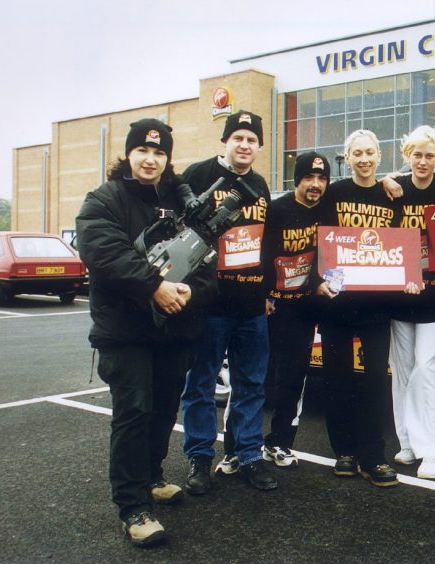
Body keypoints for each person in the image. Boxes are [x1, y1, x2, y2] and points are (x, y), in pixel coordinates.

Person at [75, 119, 217, 546]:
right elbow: (103, 252)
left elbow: (206, 256)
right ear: (129, 154)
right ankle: (134, 507)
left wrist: (189, 291)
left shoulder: (178, 200)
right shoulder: (104, 199)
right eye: (143, 151)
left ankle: (152, 477)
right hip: (125, 332)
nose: (151, 159)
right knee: (134, 412)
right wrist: (155, 286)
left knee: (162, 407)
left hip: (173, 329)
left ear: (167, 159)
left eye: (159, 153)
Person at [180, 110, 278, 493]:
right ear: (226, 141)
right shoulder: (198, 175)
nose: (244, 144)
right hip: (210, 304)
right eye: (238, 137)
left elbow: (265, 242)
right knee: (201, 384)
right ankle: (200, 458)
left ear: (258, 146)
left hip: (251, 305)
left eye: (252, 140)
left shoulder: (260, 184)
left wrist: (268, 291)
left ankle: (248, 454)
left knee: (251, 384)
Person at [314, 129, 403, 488]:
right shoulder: (334, 193)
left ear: (379, 157)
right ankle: (344, 451)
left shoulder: (390, 193)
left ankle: (373, 456)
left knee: (372, 382)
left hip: (376, 304)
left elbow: (403, 241)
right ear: (346, 158)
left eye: (369, 152)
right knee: (337, 378)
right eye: (357, 153)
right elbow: (317, 236)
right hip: (338, 302)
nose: (364, 159)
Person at [387, 126, 435, 480]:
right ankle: (407, 442)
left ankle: (432, 450)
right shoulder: (395, 188)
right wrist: (386, 179)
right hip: (401, 296)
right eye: (417, 154)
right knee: (401, 371)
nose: (423, 161)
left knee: (426, 369)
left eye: (430, 155)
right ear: (407, 156)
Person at [259, 151, 330, 467]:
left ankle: (279, 443)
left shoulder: (328, 210)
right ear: (297, 180)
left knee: (293, 377)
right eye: (308, 178)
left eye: (321, 179)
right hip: (273, 306)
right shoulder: (277, 210)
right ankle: (237, 447)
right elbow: (260, 255)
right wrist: (261, 294)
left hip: (304, 309)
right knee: (255, 377)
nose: (315, 185)